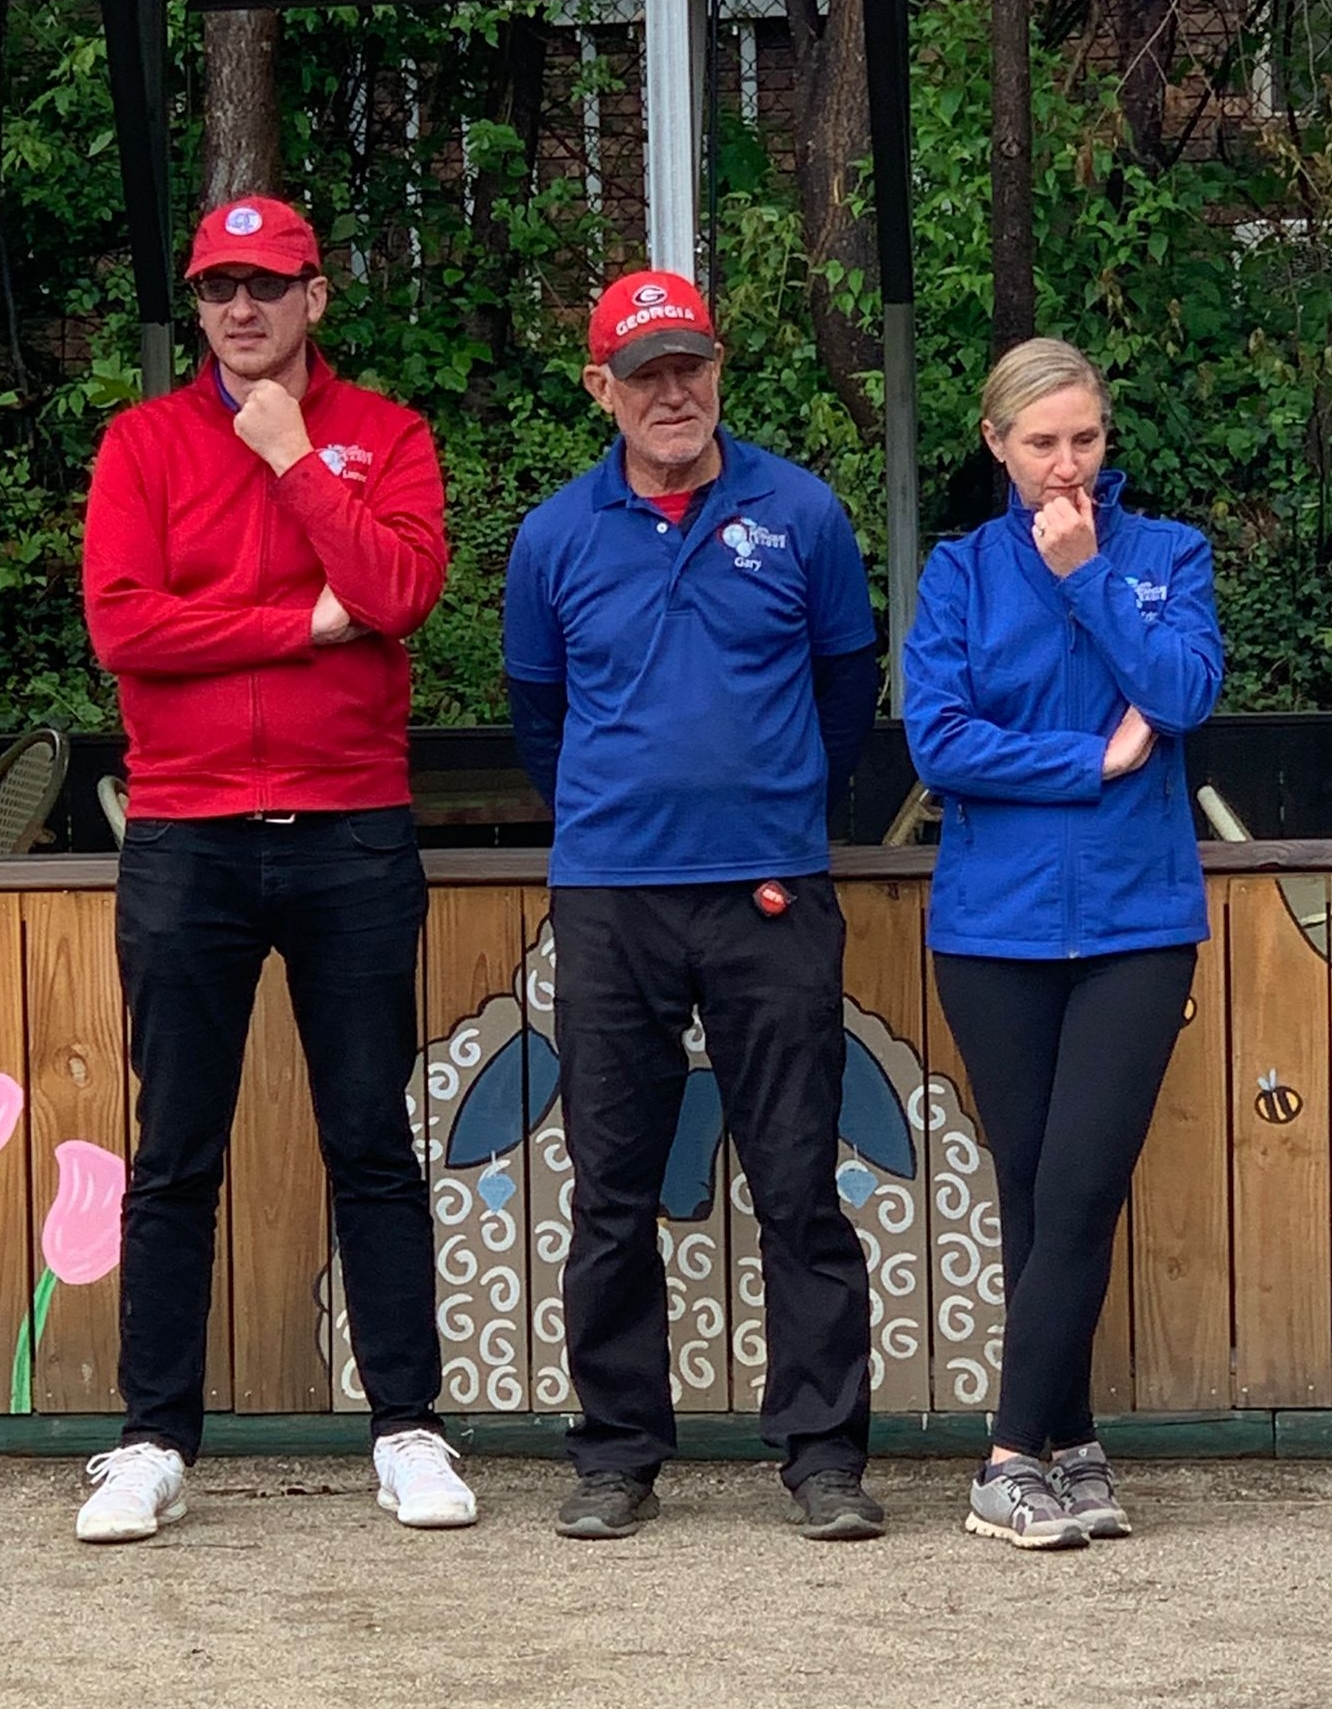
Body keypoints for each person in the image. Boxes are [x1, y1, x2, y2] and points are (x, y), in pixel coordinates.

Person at [78, 195, 474, 1542]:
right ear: (197, 305)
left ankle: (408, 1426)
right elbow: (126, 630)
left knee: (369, 1138)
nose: (239, 309)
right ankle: (151, 1440)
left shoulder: (386, 436)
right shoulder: (142, 443)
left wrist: (298, 456)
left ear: (315, 296)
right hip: (186, 832)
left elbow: (400, 593)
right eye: (217, 288)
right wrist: (301, 621)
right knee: (175, 1149)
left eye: (265, 284)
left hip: (350, 828)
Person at [504, 269, 883, 1542]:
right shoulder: (554, 536)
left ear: (719, 372)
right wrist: (621, 816)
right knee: (610, 1185)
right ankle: (616, 1452)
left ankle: (824, 1456)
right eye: (645, 373)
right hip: (611, 893)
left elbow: (846, 687)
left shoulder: (803, 512)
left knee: (798, 1176)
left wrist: (773, 805)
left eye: (691, 367)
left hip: (770, 888)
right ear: (601, 388)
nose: (673, 393)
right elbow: (539, 717)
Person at [904, 337, 1224, 1550]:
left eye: (1085, 437)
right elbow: (939, 741)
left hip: (1141, 920)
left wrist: (1089, 577)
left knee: (1083, 1185)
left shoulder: (1165, 555)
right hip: (995, 929)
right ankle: (1070, 1443)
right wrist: (1092, 757)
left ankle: (1005, 1461)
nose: (1067, 464)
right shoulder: (959, 571)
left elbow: (1184, 696)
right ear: (997, 444)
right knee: (1038, 1194)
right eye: (1042, 442)